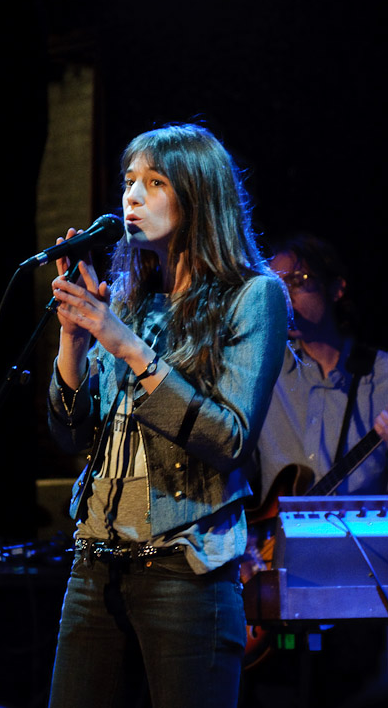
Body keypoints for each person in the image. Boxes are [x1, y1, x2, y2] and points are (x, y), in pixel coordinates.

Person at [45, 122, 288, 708]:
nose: (130, 196)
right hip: (96, 564)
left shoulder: (253, 295)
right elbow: (73, 437)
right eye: (129, 181)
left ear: (199, 194)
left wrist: (125, 344)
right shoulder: (129, 300)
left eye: (154, 182)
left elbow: (228, 438)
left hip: (185, 569)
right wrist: (74, 345)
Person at [242, 233, 388, 708]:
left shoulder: (381, 375)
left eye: (299, 281)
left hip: (357, 578)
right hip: (266, 574)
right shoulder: (261, 372)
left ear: (336, 289)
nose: (286, 296)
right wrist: (245, 543)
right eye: (276, 284)